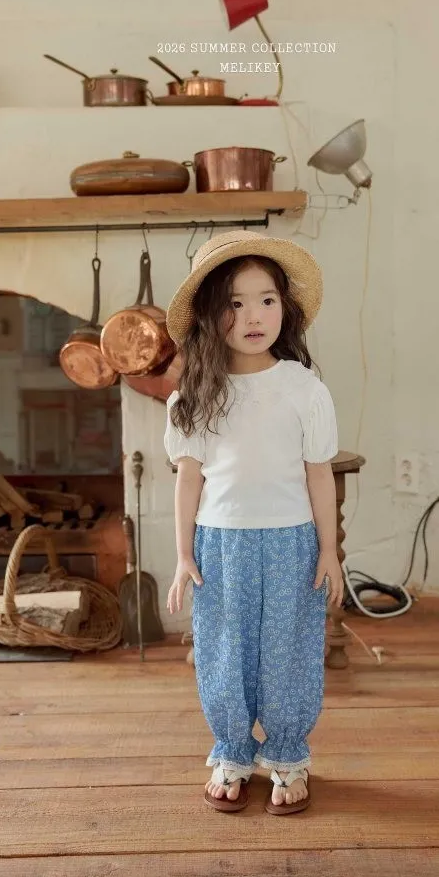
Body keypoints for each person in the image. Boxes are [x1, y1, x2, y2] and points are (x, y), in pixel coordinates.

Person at [163, 229, 343, 815]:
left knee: (289, 650)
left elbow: (319, 474)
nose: (252, 316)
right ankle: (233, 752)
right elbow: (188, 481)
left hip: (293, 542)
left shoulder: (303, 388)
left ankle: (288, 755)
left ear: (284, 308)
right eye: (234, 304)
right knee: (224, 651)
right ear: (210, 316)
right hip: (220, 545)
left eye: (266, 300)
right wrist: (184, 555)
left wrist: (329, 550)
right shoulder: (194, 394)